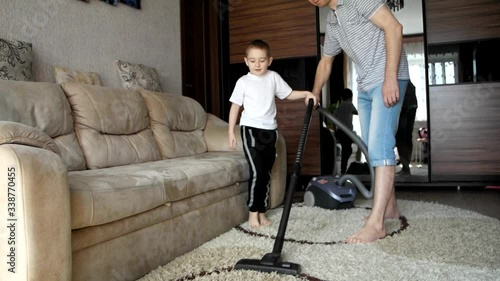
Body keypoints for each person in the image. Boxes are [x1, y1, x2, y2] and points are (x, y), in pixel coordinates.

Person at [308, 0, 410, 243]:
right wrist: (315, 92)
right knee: (372, 148)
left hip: (387, 78)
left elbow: (394, 28)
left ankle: (377, 224)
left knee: (380, 146)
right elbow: (326, 62)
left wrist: (390, 78)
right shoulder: (333, 22)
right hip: (364, 86)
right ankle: (391, 208)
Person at [228, 39, 318, 228]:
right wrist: (231, 132)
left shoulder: (273, 77)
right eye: (252, 61)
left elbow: (288, 93)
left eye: (261, 60)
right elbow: (235, 107)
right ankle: (253, 214)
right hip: (250, 129)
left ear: (269, 60)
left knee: (266, 173)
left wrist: (306, 93)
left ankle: (262, 213)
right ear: (246, 61)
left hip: (270, 131)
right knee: (257, 171)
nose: (257, 64)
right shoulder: (243, 82)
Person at [334, 88, 358, 174]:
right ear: (351, 97)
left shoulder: (339, 107)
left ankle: (343, 170)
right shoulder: (349, 105)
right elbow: (356, 112)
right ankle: (343, 170)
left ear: (341, 97)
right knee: (347, 150)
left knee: (346, 150)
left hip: (340, 131)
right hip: (347, 132)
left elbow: (334, 117)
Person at [396, 81, 418, 175]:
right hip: (411, 105)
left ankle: (405, 167)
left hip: (404, 107)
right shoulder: (407, 80)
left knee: (401, 138)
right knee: (407, 137)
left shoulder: (398, 77)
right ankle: (406, 167)